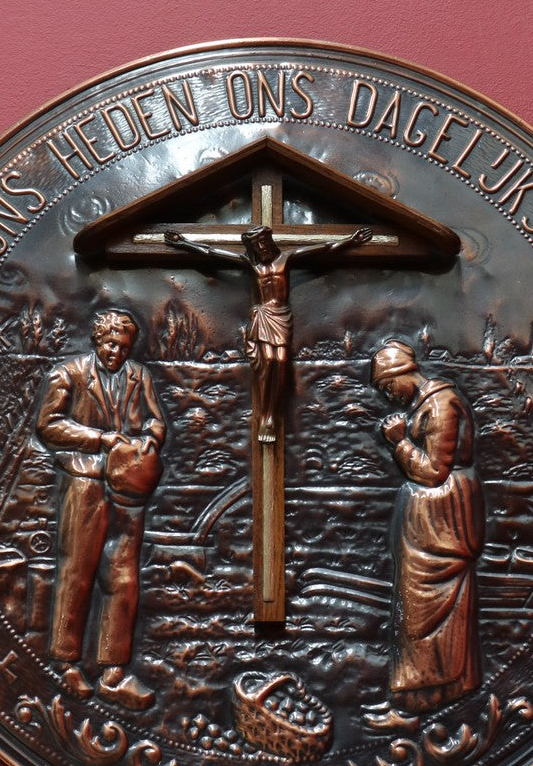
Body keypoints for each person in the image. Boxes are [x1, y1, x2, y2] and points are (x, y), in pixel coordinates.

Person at [37, 309, 166, 708]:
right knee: (77, 569)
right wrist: (99, 439)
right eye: (111, 344)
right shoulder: (69, 374)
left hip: (128, 486)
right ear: (97, 340)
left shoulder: (139, 376)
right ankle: (66, 664)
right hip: (85, 482)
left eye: (124, 347)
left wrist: (150, 439)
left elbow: (156, 420)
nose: (117, 353)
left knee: (123, 577)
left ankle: (113, 673)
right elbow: (48, 424)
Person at [165, 225, 371, 443]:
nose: (261, 248)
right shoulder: (252, 265)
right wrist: (183, 243)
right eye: (256, 246)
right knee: (267, 363)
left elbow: (324, 248)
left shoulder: (286, 259)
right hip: (263, 316)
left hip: (281, 316)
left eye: (263, 243)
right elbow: (212, 252)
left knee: (280, 361)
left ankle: (273, 411)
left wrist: (351, 241)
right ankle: (265, 415)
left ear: (270, 242)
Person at [370, 339, 484, 716]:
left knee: (429, 610)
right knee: (415, 608)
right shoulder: (424, 405)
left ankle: (434, 693)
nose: (389, 396)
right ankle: (419, 696)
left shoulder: (441, 405)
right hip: (428, 527)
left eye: (388, 386)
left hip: (443, 526)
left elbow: (435, 472)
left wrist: (399, 443)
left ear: (404, 372)